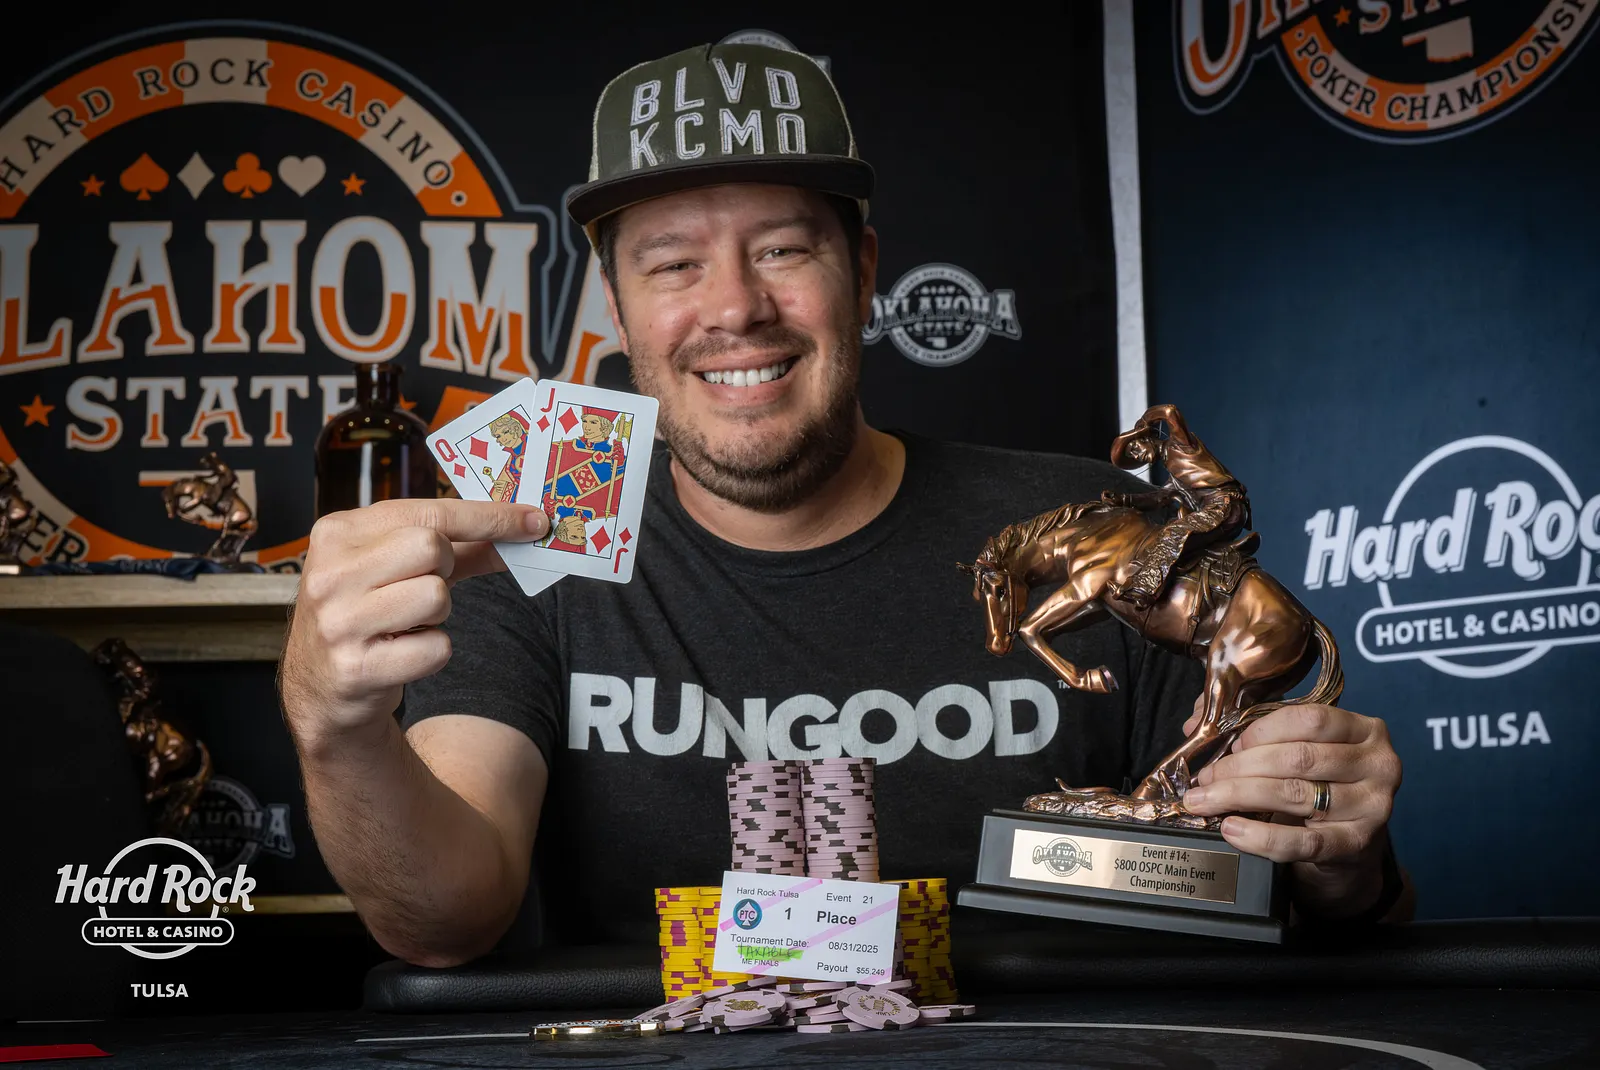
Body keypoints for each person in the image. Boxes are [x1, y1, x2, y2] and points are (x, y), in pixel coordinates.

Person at [278, 42, 1408, 968]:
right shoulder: (531, 547)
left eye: (782, 248)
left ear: (863, 271)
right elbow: (443, 919)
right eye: (672, 265)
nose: (736, 307)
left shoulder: (1097, 525)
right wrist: (337, 731)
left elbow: (1278, 889)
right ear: (615, 311)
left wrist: (1339, 856)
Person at [1103, 403, 1252, 609]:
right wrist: (1122, 500)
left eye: (1135, 448)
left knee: (1174, 533)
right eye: (1133, 456)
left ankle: (1144, 589)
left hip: (1224, 506)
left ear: (1146, 438)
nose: (1137, 456)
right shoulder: (1174, 477)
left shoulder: (1181, 445)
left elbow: (1170, 411)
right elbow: (1159, 498)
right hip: (1219, 510)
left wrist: (1145, 422)